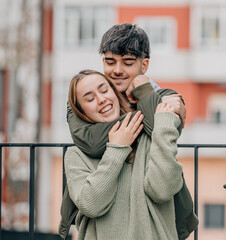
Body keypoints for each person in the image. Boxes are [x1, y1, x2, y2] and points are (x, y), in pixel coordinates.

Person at [59, 23, 198, 240]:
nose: (117, 70)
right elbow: (90, 142)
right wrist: (122, 141)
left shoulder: (166, 96)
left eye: (128, 63)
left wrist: (145, 90)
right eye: (110, 62)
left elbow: (162, 185)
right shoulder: (83, 103)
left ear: (144, 65)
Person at [64, 69, 183, 240]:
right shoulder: (76, 155)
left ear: (114, 92)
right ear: (81, 111)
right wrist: (117, 149)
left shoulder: (148, 135)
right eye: (90, 99)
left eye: (104, 90)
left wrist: (163, 128)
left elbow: (162, 191)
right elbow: (91, 205)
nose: (101, 99)